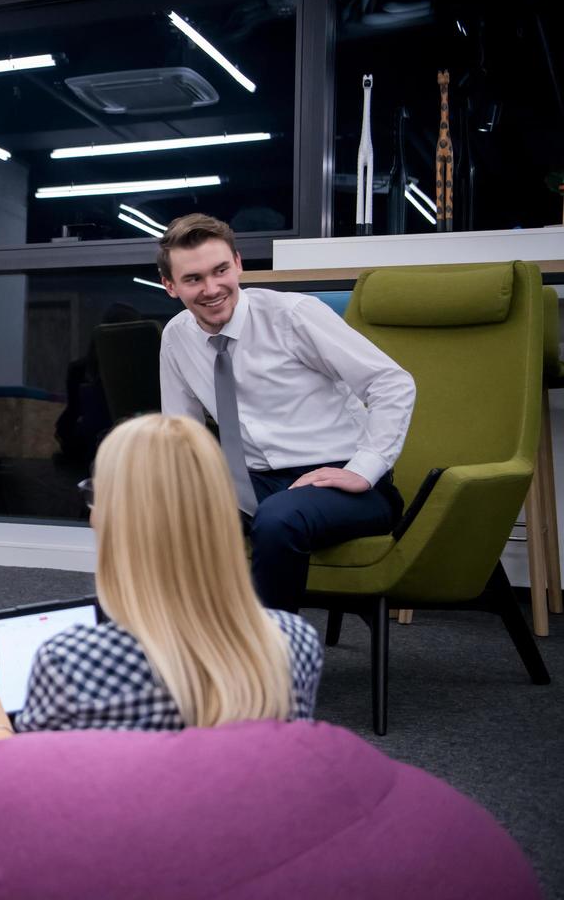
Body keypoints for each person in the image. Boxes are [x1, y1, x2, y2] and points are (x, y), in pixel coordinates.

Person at [0, 414, 324, 809]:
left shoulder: (77, 657)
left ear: (116, 515)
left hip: (114, 864)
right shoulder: (294, 640)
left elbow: (11, 785)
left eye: (94, 495)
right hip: (233, 851)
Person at [156, 213, 415, 612]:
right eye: (193, 279)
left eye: (221, 270)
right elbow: (181, 431)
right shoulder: (176, 337)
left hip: (341, 481)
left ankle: (270, 665)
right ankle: (171, 654)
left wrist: (363, 469)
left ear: (238, 264)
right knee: (145, 510)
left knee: (279, 518)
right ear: (170, 286)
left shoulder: (293, 315)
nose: (212, 289)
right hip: (252, 482)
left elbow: (391, 382)